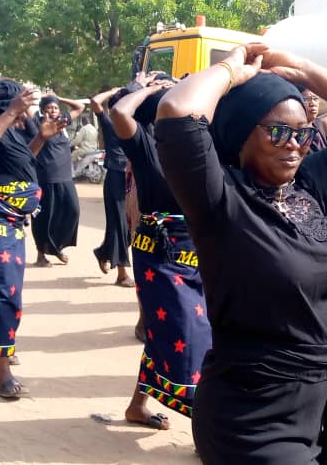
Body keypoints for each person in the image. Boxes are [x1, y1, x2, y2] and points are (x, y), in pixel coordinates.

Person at [156, 42, 327, 464]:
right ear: (241, 133)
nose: (294, 145)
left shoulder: (310, 183)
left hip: (320, 405)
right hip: (250, 412)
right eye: (277, 131)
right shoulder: (218, 197)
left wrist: (305, 69)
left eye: (303, 134)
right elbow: (177, 112)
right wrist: (231, 69)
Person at [110, 74, 213, 430]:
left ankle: (137, 406)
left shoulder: (202, 143)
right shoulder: (145, 144)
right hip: (158, 254)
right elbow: (120, 112)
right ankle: (206, 426)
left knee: (167, 331)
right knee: (187, 333)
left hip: (200, 249)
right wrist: (152, 88)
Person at [0, 79, 65, 398]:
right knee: (3, 290)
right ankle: (1, 371)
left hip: (11, 221)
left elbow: (20, 166)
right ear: (6, 105)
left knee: (0, 286)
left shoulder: (20, 128)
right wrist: (10, 114)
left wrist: (41, 139)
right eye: (22, 104)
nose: (27, 111)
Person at [32, 93, 84, 267]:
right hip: (45, 178)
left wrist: (59, 98)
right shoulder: (37, 125)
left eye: (55, 108)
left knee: (73, 211)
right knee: (43, 217)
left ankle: (56, 248)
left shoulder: (63, 121)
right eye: (49, 108)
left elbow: (80, 107)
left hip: (65, 177)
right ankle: (41, 255)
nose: (53, 110)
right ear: (43, 110)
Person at [91, 86, 134, 287]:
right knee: (119, 224)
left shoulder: (136, 124)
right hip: (116, 178)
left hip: (135, 179)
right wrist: (114, 91)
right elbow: (95, 103)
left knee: (132, 228)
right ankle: (122, 274)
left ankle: (103, 252)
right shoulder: (110, 124)